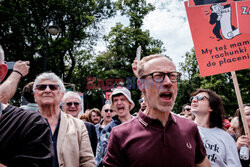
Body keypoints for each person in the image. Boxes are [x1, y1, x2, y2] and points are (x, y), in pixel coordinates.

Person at [103, 54, 210, 166]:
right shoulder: (120, 135)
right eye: (158, 76)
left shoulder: (190, 128)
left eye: (172, 75)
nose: (168, 82)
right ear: (141, 85)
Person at [0, 47, 53, 166]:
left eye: (52, 88)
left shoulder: (30, 123)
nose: (48, 92)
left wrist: (17, 72)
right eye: (42, 88)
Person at [33, 72, 95, 167]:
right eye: (42, 87)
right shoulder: (25, 124)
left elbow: (87, 161)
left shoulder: (78, 125)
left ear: (61, 95)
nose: (47, 90)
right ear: (35, 96)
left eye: (53, 87)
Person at [190, 88, 241, 167]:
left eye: (200, 98)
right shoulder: (183, 129)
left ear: (211, 107)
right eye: (193, 98)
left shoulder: (225, 137)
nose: (194, 100)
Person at [96, 86, 134, 167]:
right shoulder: (108, 129)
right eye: (115, 100)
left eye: (123, 99)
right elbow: (100, 158)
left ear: (129, 103)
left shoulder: (140, 124)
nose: (119, 103)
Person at [62, 91, 97, 156]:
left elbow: (92, 153)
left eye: (76, 104)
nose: (73, 106)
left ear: (80, 108)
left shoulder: (90, 127)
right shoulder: (56, 126)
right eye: (69, 104)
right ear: (63, 107)